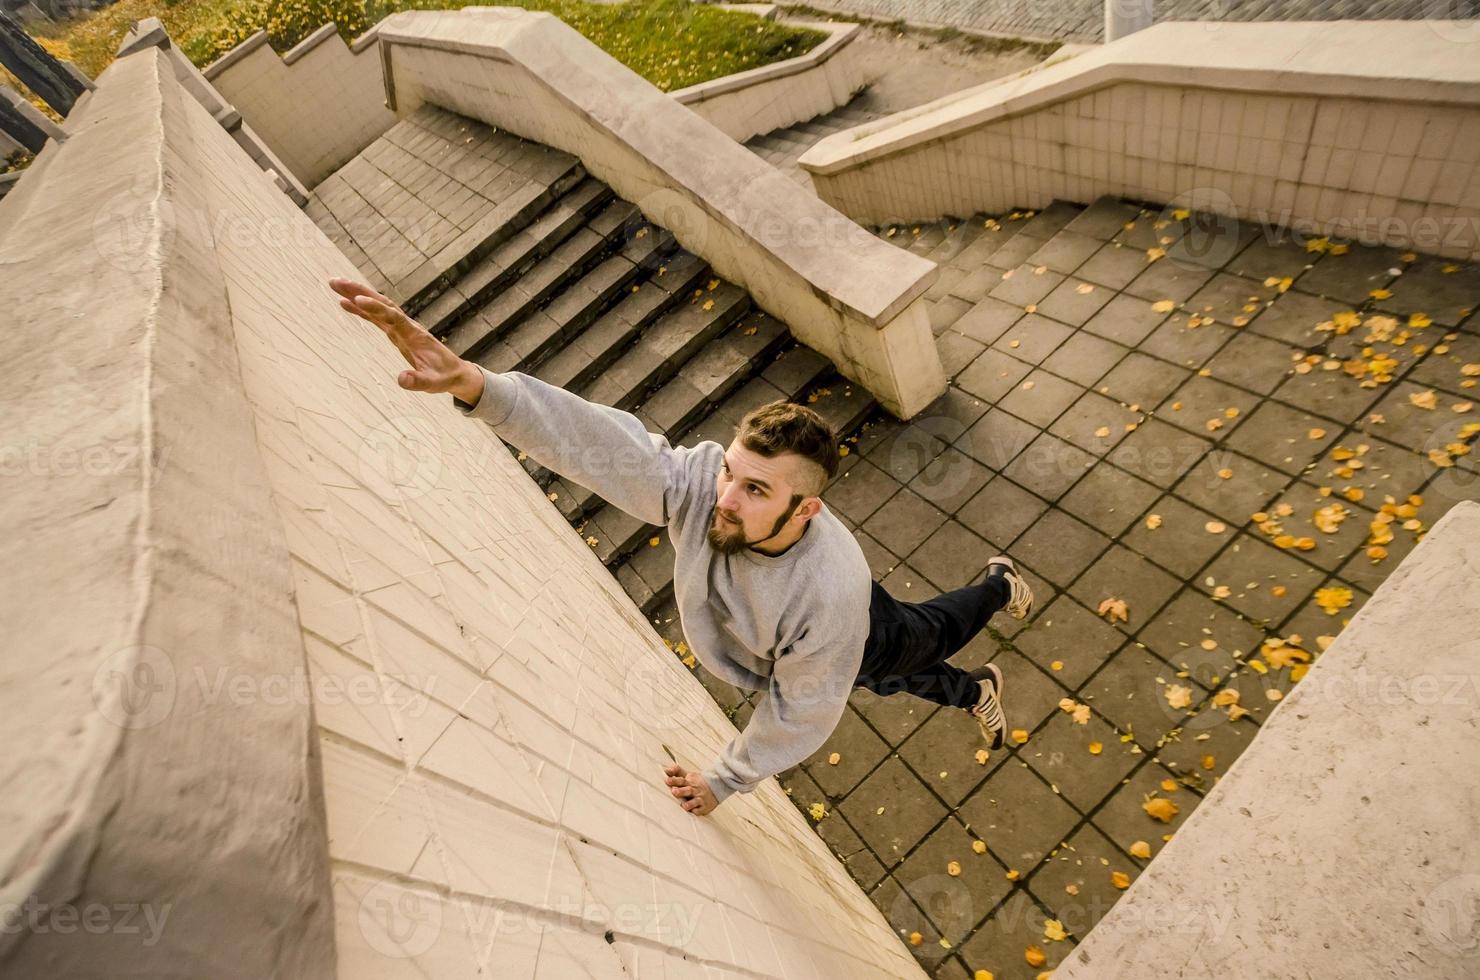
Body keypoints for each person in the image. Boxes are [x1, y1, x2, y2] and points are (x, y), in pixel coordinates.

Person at [328, 277, 1035, 817]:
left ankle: (998, 585)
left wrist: (723, 782)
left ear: (805, 508)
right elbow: (611, 447)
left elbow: (800, 714)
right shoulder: (706, 487)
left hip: (860, 625)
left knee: (914, 644)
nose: (723, 499)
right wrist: (483, 390)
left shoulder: (828, 600)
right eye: (730, 470)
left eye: (756, 491)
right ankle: (976, 688)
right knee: (874, 681)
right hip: (815, 643)